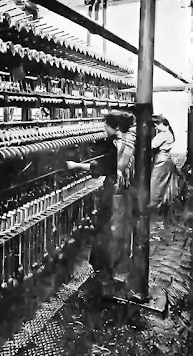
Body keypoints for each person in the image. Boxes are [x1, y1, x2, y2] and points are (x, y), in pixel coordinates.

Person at [66, 111, 137, 299]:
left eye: (106, 125)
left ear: (115, 127)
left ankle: (107, 278)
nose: (103, 128)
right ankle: (111, 271)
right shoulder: (129, 141)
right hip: (122, 191)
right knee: (115, 229)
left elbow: (106, 166)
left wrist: (76, 166)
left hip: (116, 192)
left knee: (109, 231)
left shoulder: (118, 145)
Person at [150, 116, 180, 211]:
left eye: (157, 124)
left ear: (163, 124)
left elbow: (152, 144)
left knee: (155, 183)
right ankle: (160, 204)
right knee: (163, 183)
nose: (156, 126)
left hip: (161, 158)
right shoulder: (169, 133)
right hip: (167, 159)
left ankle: (153, 205)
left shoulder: (163, 134)